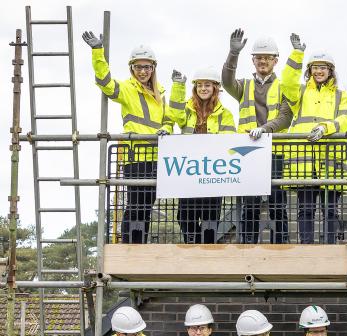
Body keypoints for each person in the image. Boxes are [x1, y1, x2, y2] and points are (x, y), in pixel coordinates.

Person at [83, 32, 174, 244]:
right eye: (138, 67)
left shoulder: (160, 93)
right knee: (135, 204)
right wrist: (98, 52)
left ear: (153, 69)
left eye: (147, 67)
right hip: (135, 157)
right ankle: (129, 245)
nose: (143, 72)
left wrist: (167, 128)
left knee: (147, 205)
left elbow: (168, 118)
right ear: (132, 68)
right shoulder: (126, 89)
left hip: (156, 157)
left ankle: (140, 244)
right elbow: (104, 82)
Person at [223, 31, 304, 244]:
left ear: (275, 61)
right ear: (253, 60)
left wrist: (265, 129)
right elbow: (226, 81)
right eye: (259, 58)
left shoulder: (284, 86)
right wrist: (233, 53)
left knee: (278, 203)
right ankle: (248, 246)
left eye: (267, 58)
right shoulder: (243, 86)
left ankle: (280, 245)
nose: (263, 62)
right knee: (249, 205)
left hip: (274, 152)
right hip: (249, 152)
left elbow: (286, 117)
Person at [281, 51, 347, 244]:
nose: (319, 71)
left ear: (330, 71)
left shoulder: (341, 96)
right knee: (305, 209)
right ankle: (306, 245)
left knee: (330, 210)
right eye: (315, 67)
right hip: (304, 161)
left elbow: (346, 120)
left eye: (323, 67)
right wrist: (296, 55)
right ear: (309, 70)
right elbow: (286, 83)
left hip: (330, 160)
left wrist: (325, 127)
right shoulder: (300, 92)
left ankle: (330, 245)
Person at [165, 67, 236, 244]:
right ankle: (194, 246)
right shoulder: (187, 111)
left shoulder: (225, 114)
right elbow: (175, 113)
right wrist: (178, 86)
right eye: (199, 85)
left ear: (215, 88)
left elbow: (229, 140)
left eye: (207, 85)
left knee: (210, 218)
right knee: (184, 217)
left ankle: (208, 250)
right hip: (190, 172)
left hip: (212, 172)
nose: (203, 89)